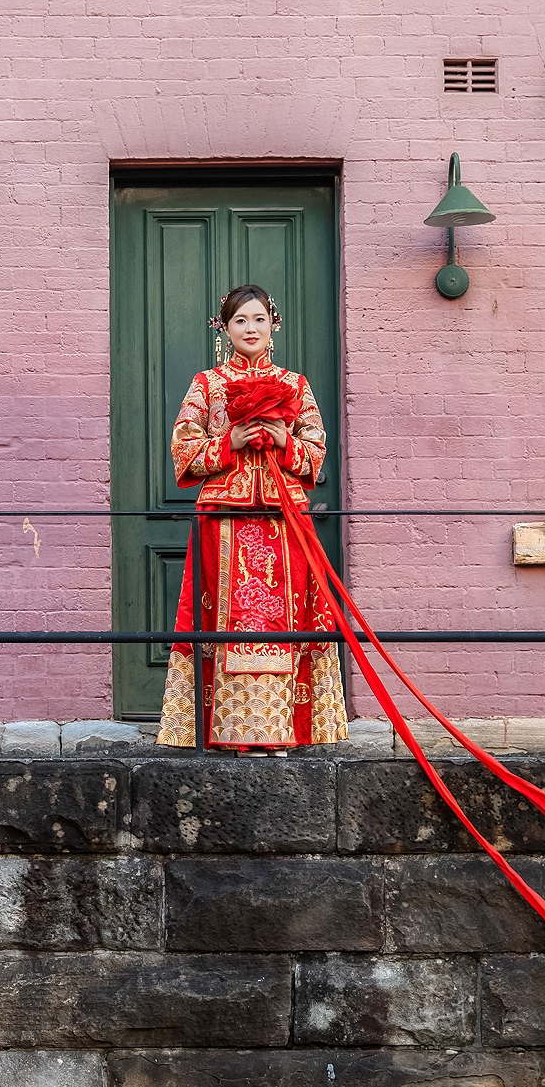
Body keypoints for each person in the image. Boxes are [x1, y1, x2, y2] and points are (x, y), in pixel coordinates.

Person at [156, 284, 348, 753]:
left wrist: (283, 440)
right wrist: (232, 441)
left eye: (259, 319)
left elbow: (316, 454)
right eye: (240, 320)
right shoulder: (207, 384)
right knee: (224, 620)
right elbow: (182, 450)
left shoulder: (295, 384)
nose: (250, 328)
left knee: (286, 621)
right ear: (224, 328)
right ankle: (223, 730)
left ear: (273, 325)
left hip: (285, 521)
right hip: (224, 520)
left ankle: (283, 729)